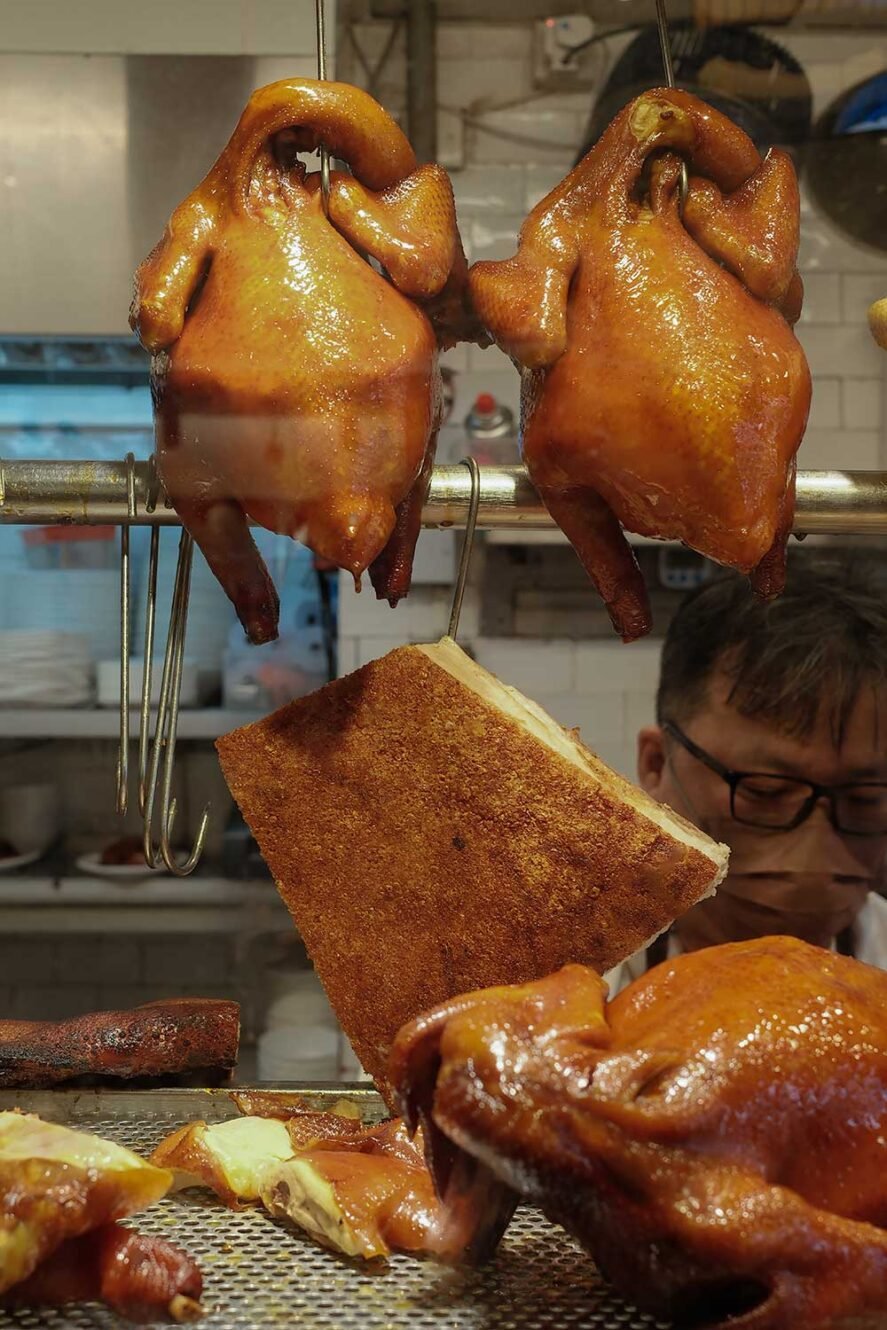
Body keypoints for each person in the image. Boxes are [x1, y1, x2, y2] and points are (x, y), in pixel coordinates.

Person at [605, 558, 887, 992]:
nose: (810, 858)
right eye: (765, 790)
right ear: (657, 764)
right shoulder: (559, 981)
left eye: (865, 797)